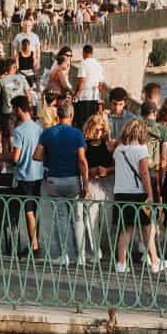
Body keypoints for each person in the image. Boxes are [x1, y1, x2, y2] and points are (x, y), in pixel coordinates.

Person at [34, 99, 89, 266]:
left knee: (61, 217)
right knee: (78, 218)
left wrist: (50, 158)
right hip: (73, 179)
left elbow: (36, 156)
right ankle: (81, 256)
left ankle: (64, 255)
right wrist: (85, 183)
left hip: (54, 180)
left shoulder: (47, 133)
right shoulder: (77, 134)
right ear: (71, 115)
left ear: (58, 115)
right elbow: (81, 160)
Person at [112, 118, 167, 273]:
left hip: (120, 192)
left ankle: (121, 263)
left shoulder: (119, 150)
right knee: (147, 227)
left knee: (125, 229)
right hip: (138, 193)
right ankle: (155, 262)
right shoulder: (141, 149)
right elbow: (144, 173)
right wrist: (150, 194)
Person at [75, 113, 114, 265]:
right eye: (96, 129)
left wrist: (108, 170)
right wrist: (89, 173)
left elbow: (117, 166)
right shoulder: (84, 145)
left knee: (107, 221)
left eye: (101, 129)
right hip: (91, 183)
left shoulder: (109, 145)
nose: (98, 132)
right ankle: (95, 251)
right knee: (91, 221)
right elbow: (80, 165)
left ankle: (107, 249)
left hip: (107, 183)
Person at [9, 96, 44, 255]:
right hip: (38, 173)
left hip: (24, 175)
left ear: (18, 109)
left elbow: (15, 157)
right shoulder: (39, 128)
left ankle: (34, 246)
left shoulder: (18, 131)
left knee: (28, 212)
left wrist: (6, 158)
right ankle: (36, 241)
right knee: (35, 211)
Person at [138, 101, 167, 200]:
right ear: (155, 113)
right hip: (153, 173)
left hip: (136, 172)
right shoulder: (163, 130)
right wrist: (161, 179)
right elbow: (164, 158)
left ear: (141, 113)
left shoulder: (135, 127)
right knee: (153, 205)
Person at [72, 44, 106, 128]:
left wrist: (76, 95)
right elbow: (101, 84)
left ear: (83, 53)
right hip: (95, 98)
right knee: (92, 123)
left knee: (83, 123)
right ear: (92, 53)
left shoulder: (83, 63)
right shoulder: (98, 65)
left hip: (84, 98)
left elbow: (82, 81)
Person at [0, 59, 32, 135]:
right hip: (21, 110)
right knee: (22, 133)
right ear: (14, 67)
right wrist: (29, 107)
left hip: (8, 111)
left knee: (10, 135)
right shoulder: (22, 78)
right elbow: (28, 94)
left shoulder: (1, 80)